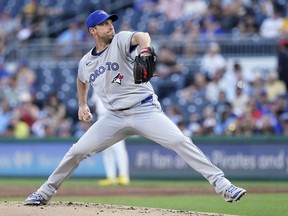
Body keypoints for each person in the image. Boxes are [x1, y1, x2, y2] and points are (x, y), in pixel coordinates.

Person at [24, 9, 246, 206]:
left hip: (144, 110)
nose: (110, 25)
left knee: (180, 141)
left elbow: (142, 36)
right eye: (103, 23)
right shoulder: (86, 62)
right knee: (77, 151)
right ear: (93, 30)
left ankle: (223, 185)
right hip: (113, 118)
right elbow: (82, 80)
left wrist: (145, 49)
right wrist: (82, 103)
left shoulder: (120, 40)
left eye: (110, 22)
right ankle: (44, 192)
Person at [91, 92, 130, 186]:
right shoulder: (96, 82)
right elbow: (94, 101)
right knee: (106, 149)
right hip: (101, 117)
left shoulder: (115, 80)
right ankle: (110, 176)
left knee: (118, 147)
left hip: (115, 115)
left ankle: (123, 176)